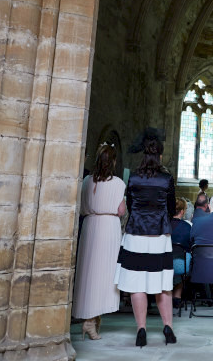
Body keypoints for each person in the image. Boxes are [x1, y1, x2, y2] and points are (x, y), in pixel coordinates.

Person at [115, 128, 177, 348]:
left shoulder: (133, 178)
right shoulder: (167, 178)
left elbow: (131, 206)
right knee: (162, 283)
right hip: (159, 235)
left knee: (137, 283)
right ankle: (167, 327)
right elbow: (171, 207)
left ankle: (141, 330)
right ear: (159, 156)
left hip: (136, 234)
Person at [73, 144, 126, 340]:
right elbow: (121, 211)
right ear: (113, 162)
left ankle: (92, 319)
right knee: (103, 274)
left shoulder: (86, 181)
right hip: (108, 227)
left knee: (88, 273)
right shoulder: (118, 183)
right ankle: (90, 321)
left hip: (90, 226)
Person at [170, 198, 192, 311]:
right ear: (182, 211)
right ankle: (177, 297)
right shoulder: (187, 227)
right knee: (185, 258)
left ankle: (166, 296)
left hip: (163, 263)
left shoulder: (164, 224)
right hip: (181, 265)